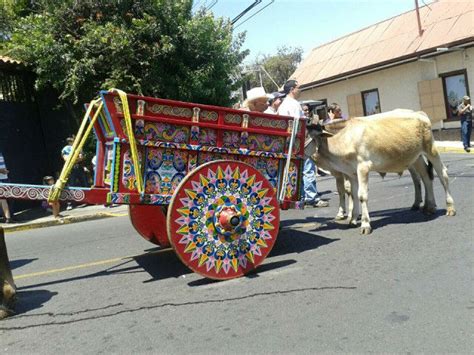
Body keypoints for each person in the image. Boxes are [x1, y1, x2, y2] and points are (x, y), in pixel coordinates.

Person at [278, 79, 329, 208]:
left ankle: (301, 196)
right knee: (308, 169)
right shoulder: (294, 104)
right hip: (298, 142)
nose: (300, 90)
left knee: (300, 170)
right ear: (292, 90)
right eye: (298, 87)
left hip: (289, 142)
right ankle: (311, 197)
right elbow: (297, 124)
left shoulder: (284, 105)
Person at [61, 136, 88, 209]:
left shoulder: (78, 148)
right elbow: (66, 159)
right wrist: (76, 159)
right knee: (71, 185)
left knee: (84, 183)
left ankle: (87, 200)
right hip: (71, 168)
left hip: (79, 167)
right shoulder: (66, 148)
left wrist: (75, 159)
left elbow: (81, 157)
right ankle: (70, 203)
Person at [0, 152, 13, 223]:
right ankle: (8, 217)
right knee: (3, 198)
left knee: (4, 198)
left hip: (5, 178)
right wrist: (1, 171)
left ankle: (8, 217)